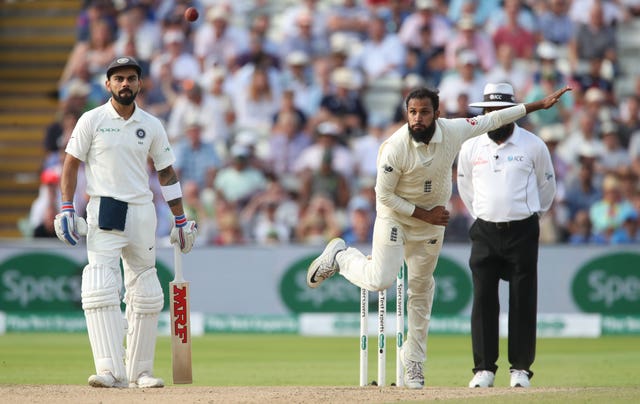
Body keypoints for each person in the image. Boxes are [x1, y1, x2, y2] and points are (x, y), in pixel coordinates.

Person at [305, 84, 571, 389]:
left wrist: (539, 104)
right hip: (397, 217)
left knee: (420, 292)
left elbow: (495, 119)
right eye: (412, 112)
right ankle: (341, 256)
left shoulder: (454, 130)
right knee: (380, 279)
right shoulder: (395, 146)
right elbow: (384, 195)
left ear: (437, 114)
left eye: (424, 112)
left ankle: (414, 363)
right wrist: (424, 213)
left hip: (431, 224)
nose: (417, 118)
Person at [53, 56, 197, 389]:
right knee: (101, 285)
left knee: (146, 290)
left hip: (142, 211)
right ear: (108, 84)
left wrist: (180, 219)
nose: (125, 84)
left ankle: (140, 372)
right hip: (105, 208)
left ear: (139, 83)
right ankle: (109, 370)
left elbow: (166, 172)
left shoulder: (152, 124)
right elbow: (70, 165)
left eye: (131, 78)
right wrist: (66, 207)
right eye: (118, 79)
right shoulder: (91, 120)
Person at [456, 83, 558, 389]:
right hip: (485, 230)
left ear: (514, 112)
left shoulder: (532, 145)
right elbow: (466, 189)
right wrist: (486, 214)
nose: (497, 117)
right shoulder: (471, 146)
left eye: (502, 111)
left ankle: (520, 369)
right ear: (484, 113)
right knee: (483, 299)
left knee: (522, 300)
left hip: (522, 230)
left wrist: (528, 216)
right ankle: (484, 368)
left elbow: (547, 187)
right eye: (491, 112)